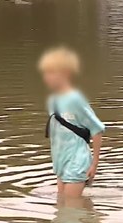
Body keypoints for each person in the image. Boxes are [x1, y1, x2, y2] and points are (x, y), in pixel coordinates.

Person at [38, 46, 105, 198]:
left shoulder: (75, 100)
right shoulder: (52, 101)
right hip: (61, 162)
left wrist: (94, 164)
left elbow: (97, 129)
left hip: (77, 162)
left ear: (66, 74)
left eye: (52, 72)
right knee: (63, 210)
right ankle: (92, 219)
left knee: (71, 210)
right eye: (46, 73)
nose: (47, 77)